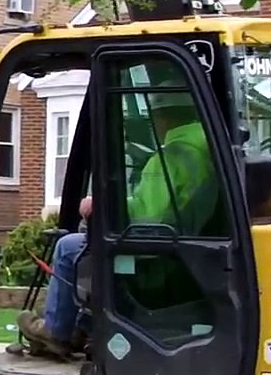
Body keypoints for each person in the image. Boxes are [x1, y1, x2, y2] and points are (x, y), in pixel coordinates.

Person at [16, 80, 218, 357]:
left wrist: (101, 205)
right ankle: (84, 327)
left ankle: (56, 331)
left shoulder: (173, 157)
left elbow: (149, 215)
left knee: (69, 247)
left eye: (155, 118)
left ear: (163, 116)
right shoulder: (208, 150)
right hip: (184, 246)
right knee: (91, 248)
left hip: (157, 254)